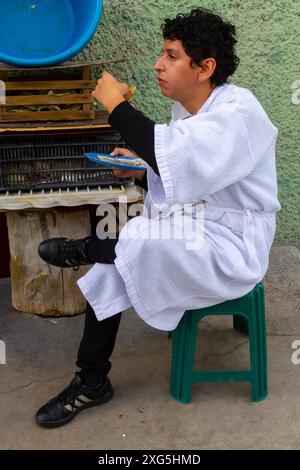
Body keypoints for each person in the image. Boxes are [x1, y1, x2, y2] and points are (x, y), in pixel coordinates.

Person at [35, 8, 281, 428]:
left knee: (130, 244)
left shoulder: (237, 113)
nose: (157, 65)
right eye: (161, 54)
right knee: (121, 254)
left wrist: (116, 105)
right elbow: (187, 170)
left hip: (234, 243)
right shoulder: (187, 110)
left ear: (205, 68)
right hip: (200, 225)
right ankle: (91, 380)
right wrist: (142, 168)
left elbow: (188, 159)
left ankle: (85, 249)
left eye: (171, 55)